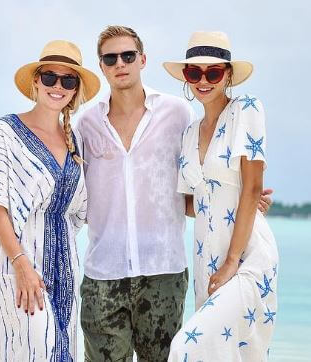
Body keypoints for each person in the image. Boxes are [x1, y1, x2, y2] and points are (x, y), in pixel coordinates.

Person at [76, 26, 272, 362]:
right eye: (111, 58)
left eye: (128, 56)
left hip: (167, 271)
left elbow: (226, 183)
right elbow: (73, 193)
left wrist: (247, 200)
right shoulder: (86, 124)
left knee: (185, 352)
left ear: (142, 59)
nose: (120, 63)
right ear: (102, 65)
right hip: (106, 273)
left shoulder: (179, 115)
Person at [0, 40, 100, 361]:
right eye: (50, 77)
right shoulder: (7, 130)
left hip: (65, 264)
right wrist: (21, 262)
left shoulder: (77, 141)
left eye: (68, 80)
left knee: (61, 350)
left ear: (75, 90)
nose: (58, 86)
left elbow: (77, 213)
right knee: (34, 347)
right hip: (18, 260)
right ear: (36, 81)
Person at [164, 31, 279, 361]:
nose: (203, 80)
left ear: (228, 75)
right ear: (186, 78)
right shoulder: (189, 133)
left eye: (213, 72)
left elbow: (253, 186)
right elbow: (192, 204)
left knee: (186, 347)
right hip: (206, 260)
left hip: (245, 256)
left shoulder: (247, 109)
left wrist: (231, 262)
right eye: (194, 73)